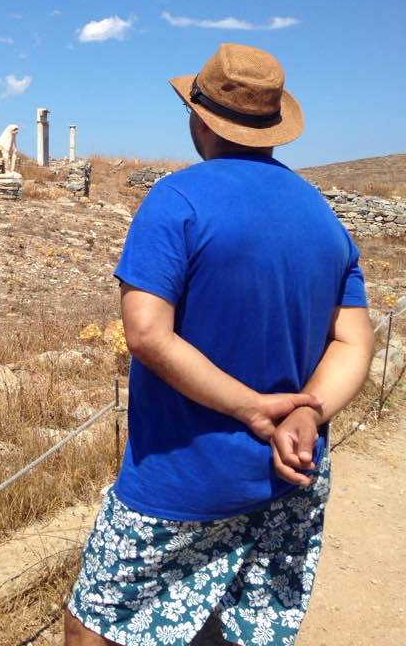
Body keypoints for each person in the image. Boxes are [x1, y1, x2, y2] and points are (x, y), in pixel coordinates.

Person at [65, 43, 373, 646]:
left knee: (94, 620)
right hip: (294, 468)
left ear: (199, 118)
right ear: (275, 124)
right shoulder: (322, 215)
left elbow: (147, 332)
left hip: (185, 476)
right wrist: (307, 409)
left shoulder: (177, 201)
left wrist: (254, 410)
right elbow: (354, 341)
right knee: (242, 625)